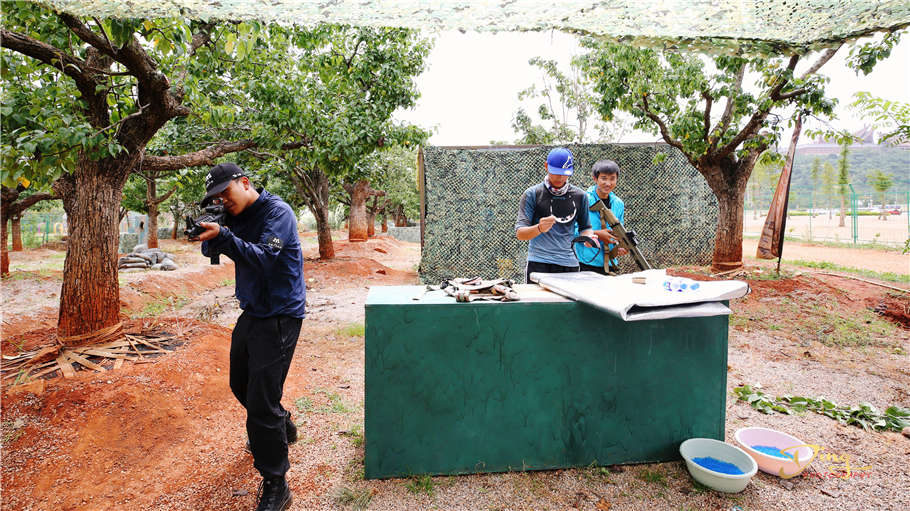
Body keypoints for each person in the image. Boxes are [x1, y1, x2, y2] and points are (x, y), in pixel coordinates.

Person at [190, 162, 305, 511]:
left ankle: (276, 483)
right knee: (240, 382)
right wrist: (209, 234)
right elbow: (211, 252)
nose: (223, 201)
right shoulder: (232, 216)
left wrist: (224, 235)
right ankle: (282, 424)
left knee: (260, 403)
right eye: (217, 198)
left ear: (245, 182)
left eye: (226, 193)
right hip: (254, 310)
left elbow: (265, 259)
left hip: (281, 315)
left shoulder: (278, 213)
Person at [515, 147, 598, 283]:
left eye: (565, 173)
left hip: (568, 264)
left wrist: (589, 237)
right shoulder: (532, 194)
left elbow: (585, 227)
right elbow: (520, 233)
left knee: (567, 305)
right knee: (536, 304)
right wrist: (539, 228)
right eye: (556, 172)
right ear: (546, 166)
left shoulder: (580, 196)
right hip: (538, 263)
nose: (560, 177)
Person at [574, 160, 629, 275]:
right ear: (595, 179)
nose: (608, 183)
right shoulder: (583, 200)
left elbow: (619, 233)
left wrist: (620, 247)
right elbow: (570, 231)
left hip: (610, 265)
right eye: (604, 178)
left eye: (612, 179)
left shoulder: (618, 204)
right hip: (585, 264)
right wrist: (597, 234)